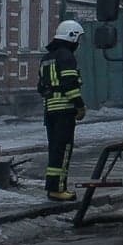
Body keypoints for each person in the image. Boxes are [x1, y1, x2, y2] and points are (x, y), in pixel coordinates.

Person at [38, 19, 87, 202]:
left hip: (50, 110)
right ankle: (59, 189)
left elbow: (41, 87)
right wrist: (79, 105)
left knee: (55, 149)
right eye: (78, 38)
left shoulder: (46, 58)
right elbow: (69, 84)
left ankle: (52, 188)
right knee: (64, 149)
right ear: (72, 36)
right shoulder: (67, 56)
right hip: (64, 111)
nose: (78, 43)